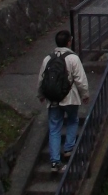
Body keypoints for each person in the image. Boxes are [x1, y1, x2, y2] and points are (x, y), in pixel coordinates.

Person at [38, 30, 89, 172]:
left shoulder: (48, 59)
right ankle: (68, 149)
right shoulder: (73, 58)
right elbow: (80, 79)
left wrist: (40, 95)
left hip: (53, 99)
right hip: (70, 97)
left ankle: (55, 162)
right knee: (72, 120)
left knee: (54, 128)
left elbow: (41, 79)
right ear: (69, 42)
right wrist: (85, 94)